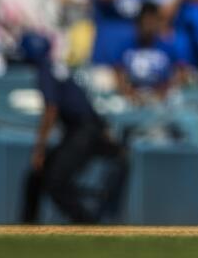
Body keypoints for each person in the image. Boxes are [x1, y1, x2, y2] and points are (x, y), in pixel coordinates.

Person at [21, 34, 128, 224]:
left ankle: (87, 224)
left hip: (83, 130)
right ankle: (28, 223)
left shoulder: (46, 69)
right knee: (38, 175)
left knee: (55, 180)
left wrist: (39, 149)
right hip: (87, 128)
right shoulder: (57, 67)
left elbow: (51, 110)